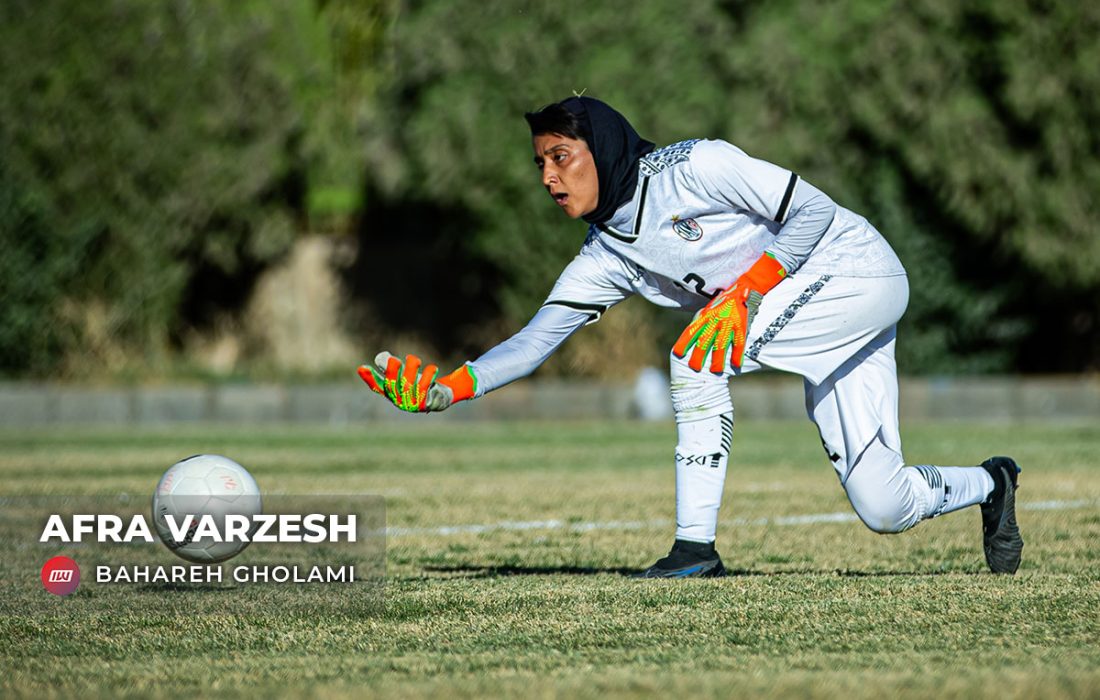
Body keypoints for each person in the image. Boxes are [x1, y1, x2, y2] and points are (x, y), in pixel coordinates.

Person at [359, 96, 1023, 577]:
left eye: (561, 157)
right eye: (540, 164)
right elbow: (534, 342)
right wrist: (449, 388)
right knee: (884, 504)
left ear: (605, 146)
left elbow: (813, 211)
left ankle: (694, 550)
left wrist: (746, 289)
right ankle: (993, 485)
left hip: (859, 270)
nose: (548, 178)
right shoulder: (603, 255)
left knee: (695, 355)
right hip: (825, 313)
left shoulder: (696, 166)